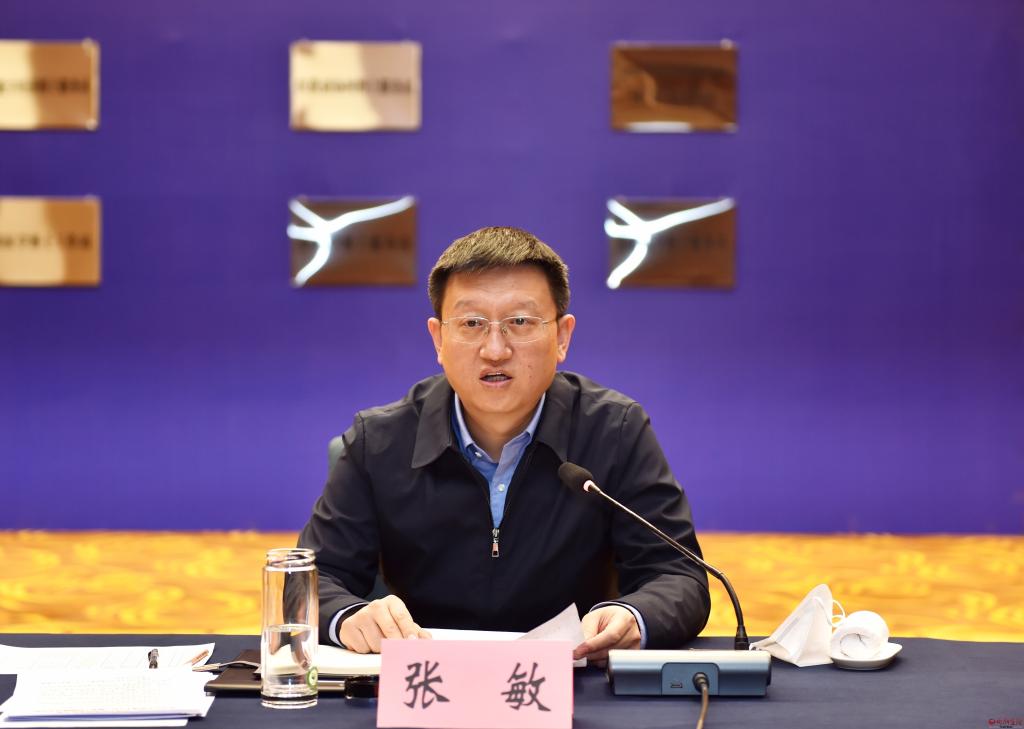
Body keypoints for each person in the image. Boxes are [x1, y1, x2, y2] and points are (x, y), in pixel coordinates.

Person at [298, 226, 710, 661]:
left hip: (573, 679)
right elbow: (310, 578)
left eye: (520, 322)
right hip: (423, 680)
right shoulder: (379, 440)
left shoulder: (615, 430)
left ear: (562, 337)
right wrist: (348, 617)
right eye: (472, 324)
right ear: (438, 339)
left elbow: (678, 575)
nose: (495, 350)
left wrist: (632, 615)